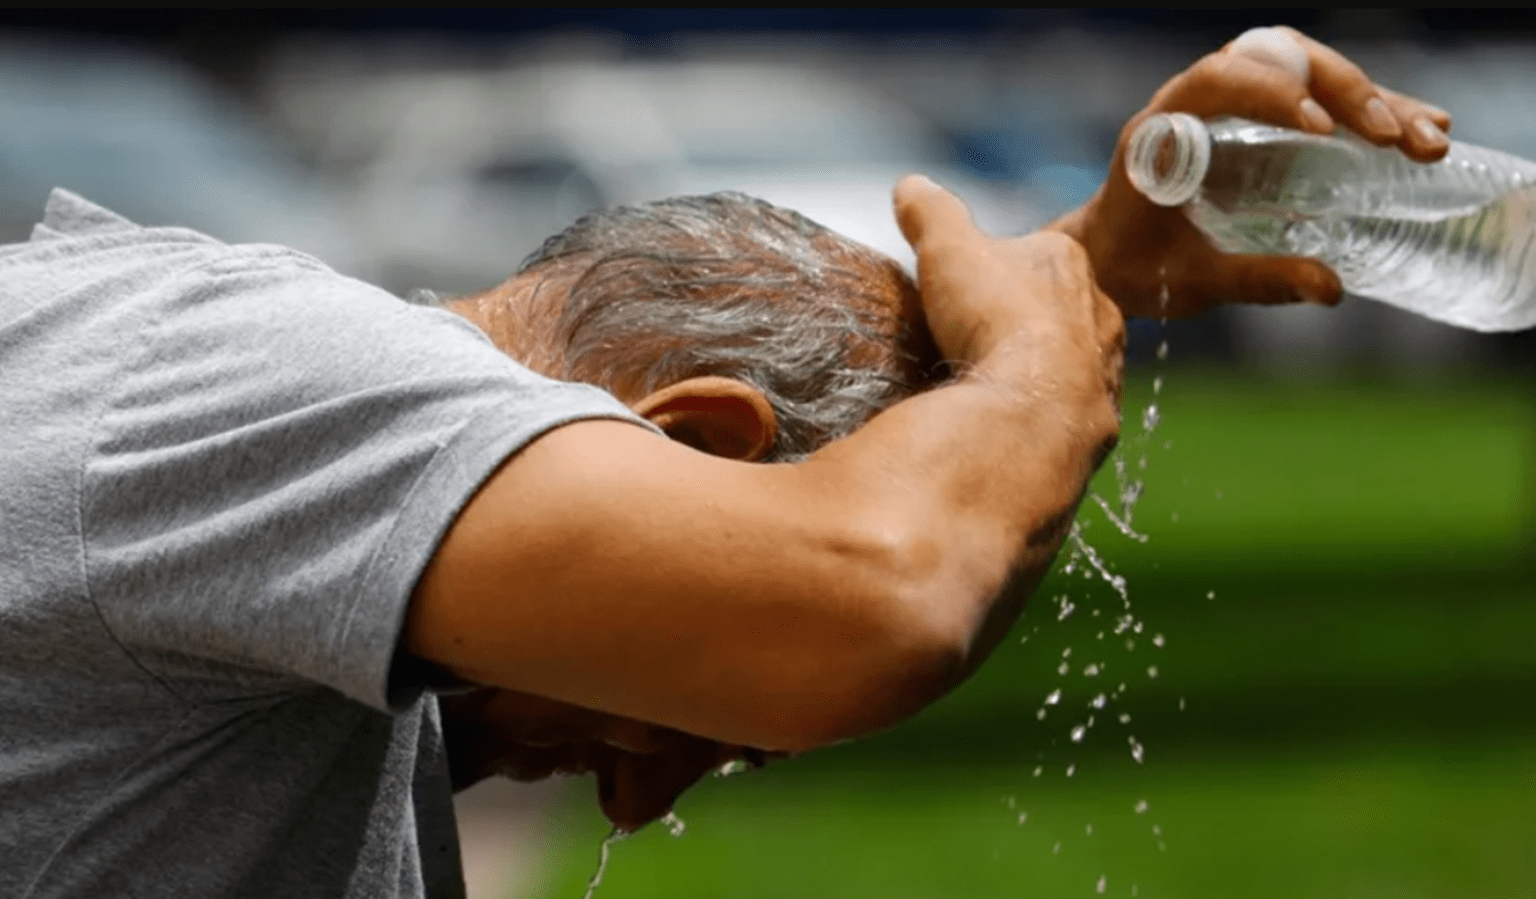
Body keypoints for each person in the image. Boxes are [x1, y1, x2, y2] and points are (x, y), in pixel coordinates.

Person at [0, 26, 1449, 899]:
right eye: (707, 723)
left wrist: (1070, 279)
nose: (638, 801)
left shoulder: (271, 495)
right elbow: (863, 604)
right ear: (696, 443)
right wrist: (1028, 367)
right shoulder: (282, 374)